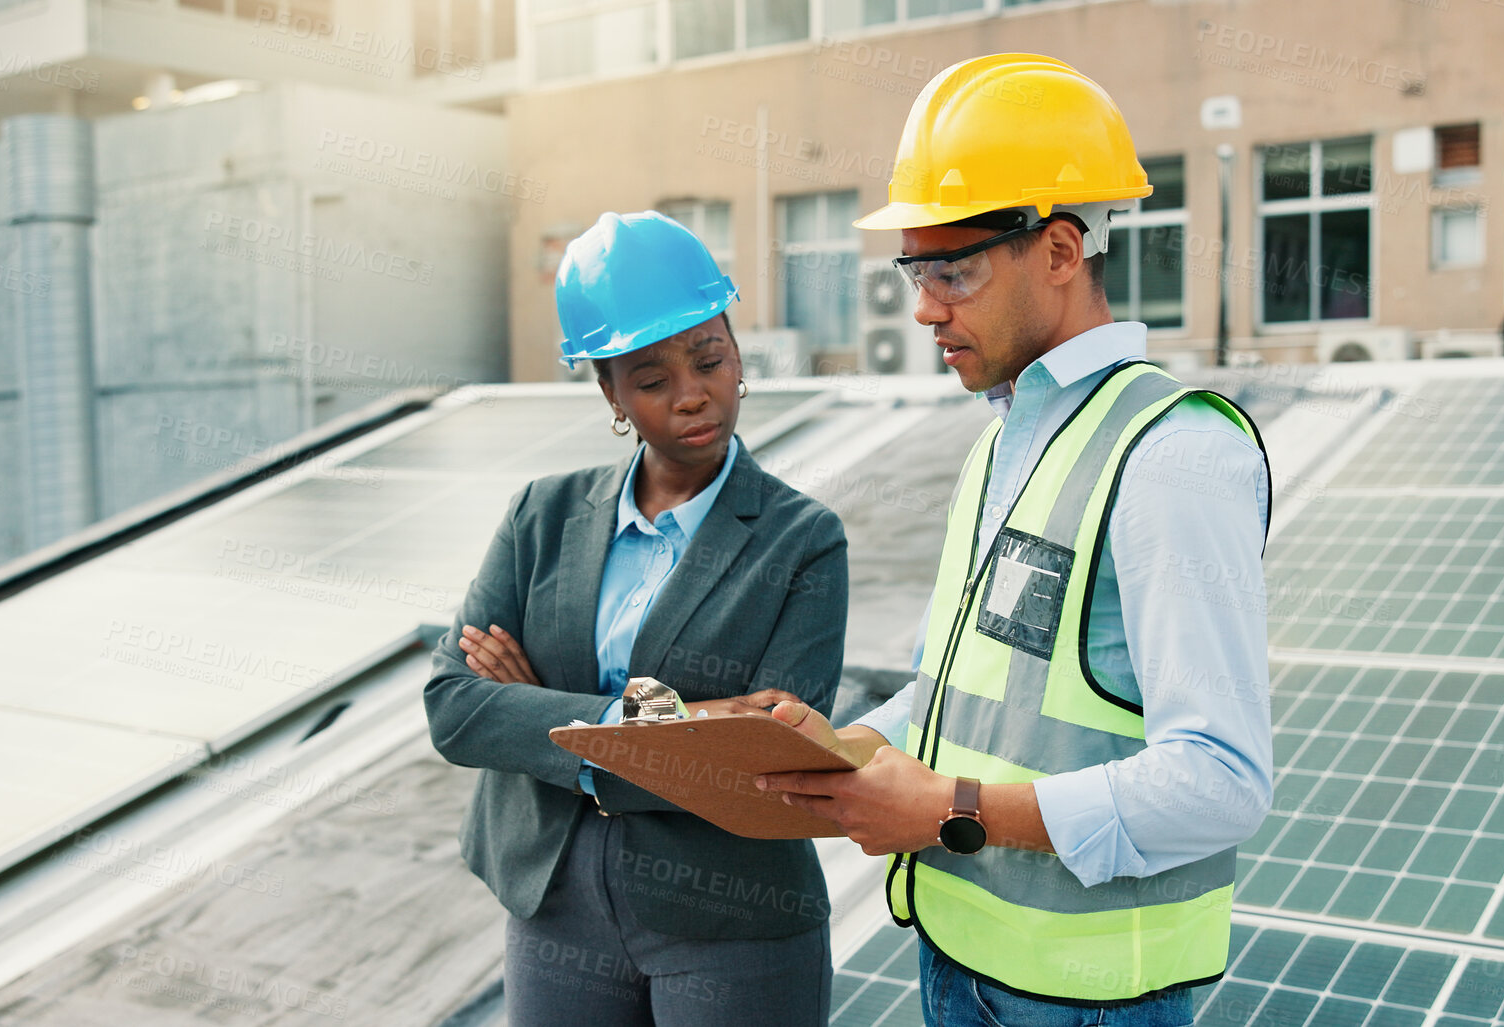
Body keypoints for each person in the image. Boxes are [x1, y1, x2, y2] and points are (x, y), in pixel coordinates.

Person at [757, 54, 1273, 1025]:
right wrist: (841, 749)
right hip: (960, 960)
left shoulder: (1174, 453)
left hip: (1090, 998)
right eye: (916, 270)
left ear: (1062, 251)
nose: (922, 307)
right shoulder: (1002, 445)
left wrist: (954, 810)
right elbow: (961, 698)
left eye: (953, 270)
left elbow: (1221, 781)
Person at [424, 210, 848, 1026]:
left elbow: (764, 760)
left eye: (711, 359)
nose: (693, 395)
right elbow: (457, 708)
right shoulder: (539, 517)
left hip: (730, 919)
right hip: (554, 907)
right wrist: (670, 719)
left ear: (735, 351)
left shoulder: (802, 541)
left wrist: (545, 710)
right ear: (609, 392)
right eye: (651, 380)